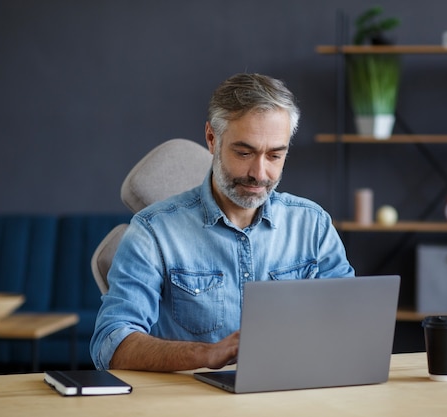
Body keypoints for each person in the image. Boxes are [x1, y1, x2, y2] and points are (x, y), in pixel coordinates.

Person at [90, 73, 355, 372]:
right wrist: (206, 354)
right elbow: (110, 344)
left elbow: (350, 323)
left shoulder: (314, 225)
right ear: (212, 139)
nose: (260, 173)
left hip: (291, 394)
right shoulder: (152, 231)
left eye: (275, 155)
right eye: (244, 152)